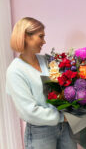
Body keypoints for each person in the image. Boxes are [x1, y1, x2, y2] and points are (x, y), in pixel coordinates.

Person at [6, 17, 77, 149]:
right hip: (41, 132)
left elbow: (63, 87)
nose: (44, 41)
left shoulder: (46, 60)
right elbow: (28, 111)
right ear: (26, 37)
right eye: (41, 36)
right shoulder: (15, 71)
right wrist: (62, 117)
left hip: (65, 127)